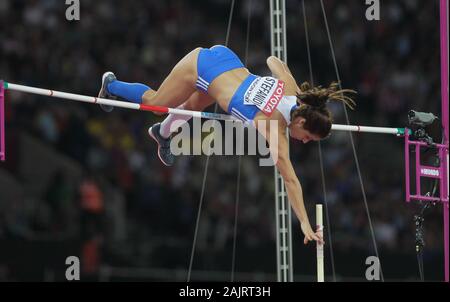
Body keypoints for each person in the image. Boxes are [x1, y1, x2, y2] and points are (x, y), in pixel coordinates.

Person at [98, 45, 356, 244]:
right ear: (300, 121)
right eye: (309, 137)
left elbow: (273, 61)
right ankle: (112, 85)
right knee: (157, 103)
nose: (306, 142)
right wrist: (305, 224)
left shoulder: (293, 94)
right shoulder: (274, 129)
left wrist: (292, 90)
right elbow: (290, 180)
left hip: (227, 60)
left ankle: (163, 133)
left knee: (191, 107)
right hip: (201, 66)